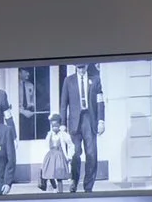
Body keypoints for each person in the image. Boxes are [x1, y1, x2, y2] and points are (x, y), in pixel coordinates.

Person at [63, 62, 106, 193]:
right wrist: (63, 125)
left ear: (87, 66)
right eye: (79, 68)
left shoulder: (95, 79)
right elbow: (63, 104)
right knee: (75, 153)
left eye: (83, 67)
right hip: (74, 123)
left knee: (91, 153)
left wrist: (101, 121)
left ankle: (88, 186)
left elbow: (100, 102)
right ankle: (74, 180)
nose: (81, 70)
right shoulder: (68, 81)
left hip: (89, 119)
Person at [39, 116, 73, 193]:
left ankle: (60, 191)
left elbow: (70, 144)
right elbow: (46, 146)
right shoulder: (49, 135)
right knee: (49, 173)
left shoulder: (63, 134)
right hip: (50, 156)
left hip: (59, 156)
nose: (54, 128)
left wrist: (69, 156)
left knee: (59, 175)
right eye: (53, 126)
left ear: (59, 125)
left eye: (56, 126)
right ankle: (55, 187)